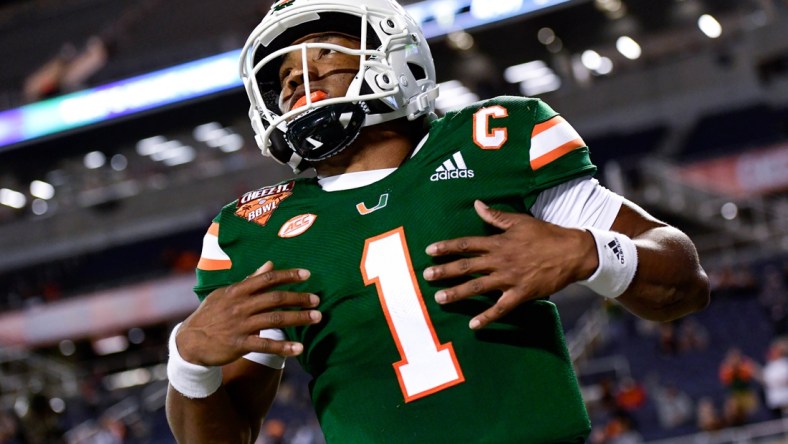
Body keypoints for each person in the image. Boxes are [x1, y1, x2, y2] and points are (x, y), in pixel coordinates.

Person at [165, 0, 710, 442]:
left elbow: (684, 284)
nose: (294, 81)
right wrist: (189, 363)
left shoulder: (493, 141)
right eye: (283, 73)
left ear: (391, 56)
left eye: (322, 56)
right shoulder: (254, 230)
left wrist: (590, 252)